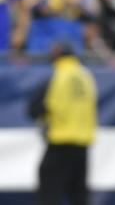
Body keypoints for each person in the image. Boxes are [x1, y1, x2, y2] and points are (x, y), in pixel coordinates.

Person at [27, 41, 97, 205]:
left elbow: (33, 109)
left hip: (60, 141)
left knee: (49, 193)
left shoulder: (57, 75)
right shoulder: (86, 76)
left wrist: (45, 119)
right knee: (79, 195)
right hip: (83, 143)